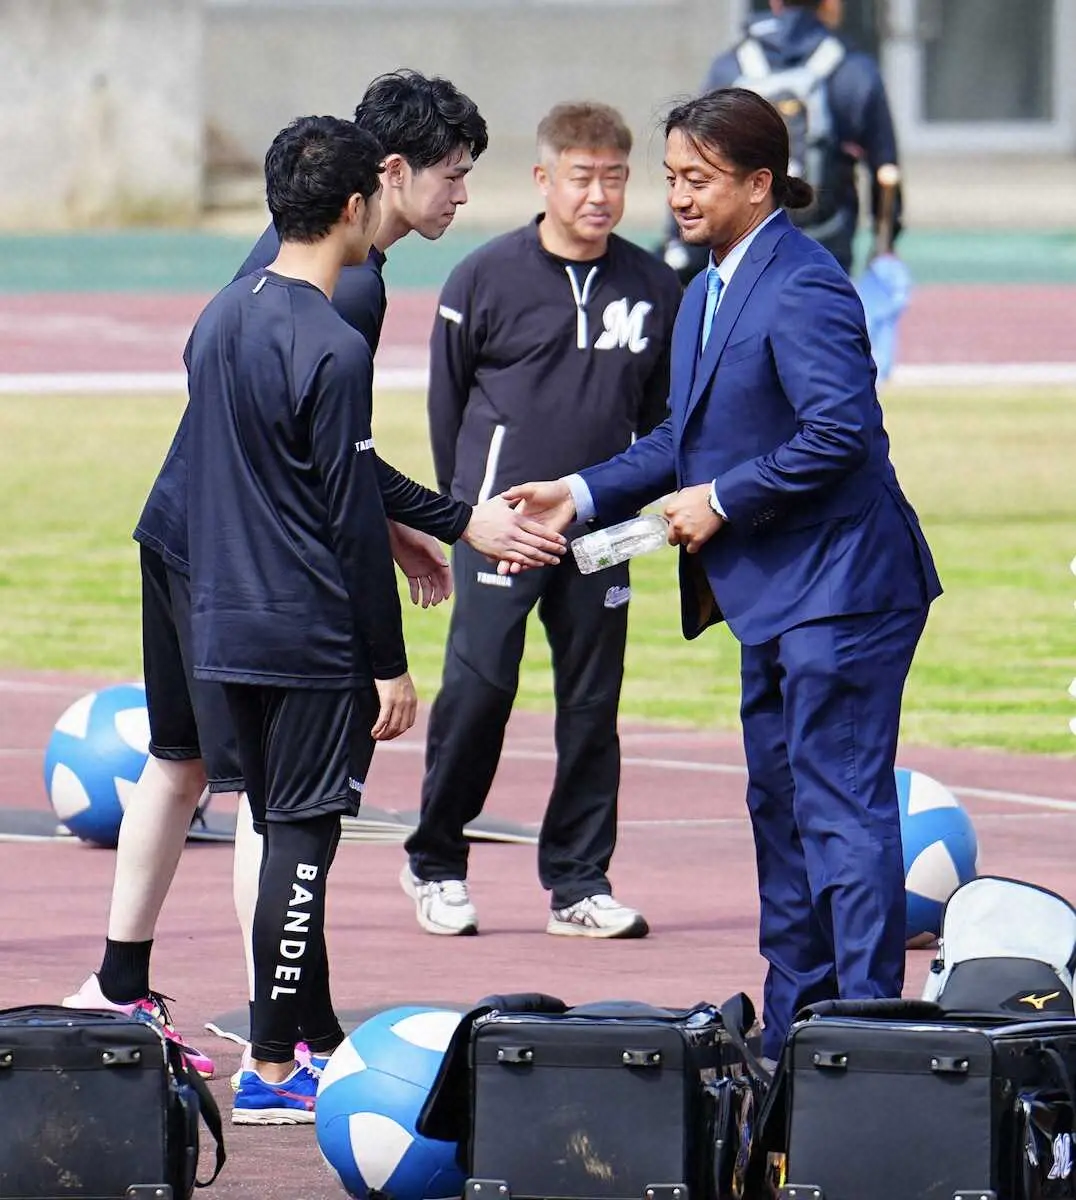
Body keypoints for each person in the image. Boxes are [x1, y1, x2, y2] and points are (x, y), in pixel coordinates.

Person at [62, 71, 566, 1077]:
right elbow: (333, 464)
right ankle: (279, 1040)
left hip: (183, 526)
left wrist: (401, 528)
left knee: (180, 762)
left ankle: (123, 983)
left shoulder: (269, 267)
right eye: (453, 176)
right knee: (273, 800)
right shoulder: (352, 287)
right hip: (246, 562)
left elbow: (296, 433)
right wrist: (451, 522)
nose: (462, 198)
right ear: (385, 178)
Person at [504, 88, 942, 1057]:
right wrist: (574, 492)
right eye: (670, 177)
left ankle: (866, 1042)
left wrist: (721, 500)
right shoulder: (703, 289)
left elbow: (842, 433)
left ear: (758, 183)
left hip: (846, 591)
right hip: (768, 599)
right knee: (776, 809)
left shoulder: (806, 281)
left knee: (835, 809)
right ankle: (793, 1035)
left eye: (696, 179)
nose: (677, 196)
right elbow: (679, 438)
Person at [400, 102, 682, 939]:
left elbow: (666, 425)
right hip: (505, 531)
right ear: (544, 179)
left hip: (601, 537)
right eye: (582, 176)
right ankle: (436, 863)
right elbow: (447, 408)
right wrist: (463, 517)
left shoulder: (656, 286)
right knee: (478, 694)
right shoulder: (483, 278)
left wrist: (640, 518)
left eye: (615, 178)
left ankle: (578, 884)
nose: (599, 195)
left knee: (592, 707)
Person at [661, 0, 901, 282]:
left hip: (740, 239)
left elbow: (693, 159)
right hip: (826, 238)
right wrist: (885, 241)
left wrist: (674, 238)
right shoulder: (855, 69)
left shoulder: (730, 67)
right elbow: (886, 170)